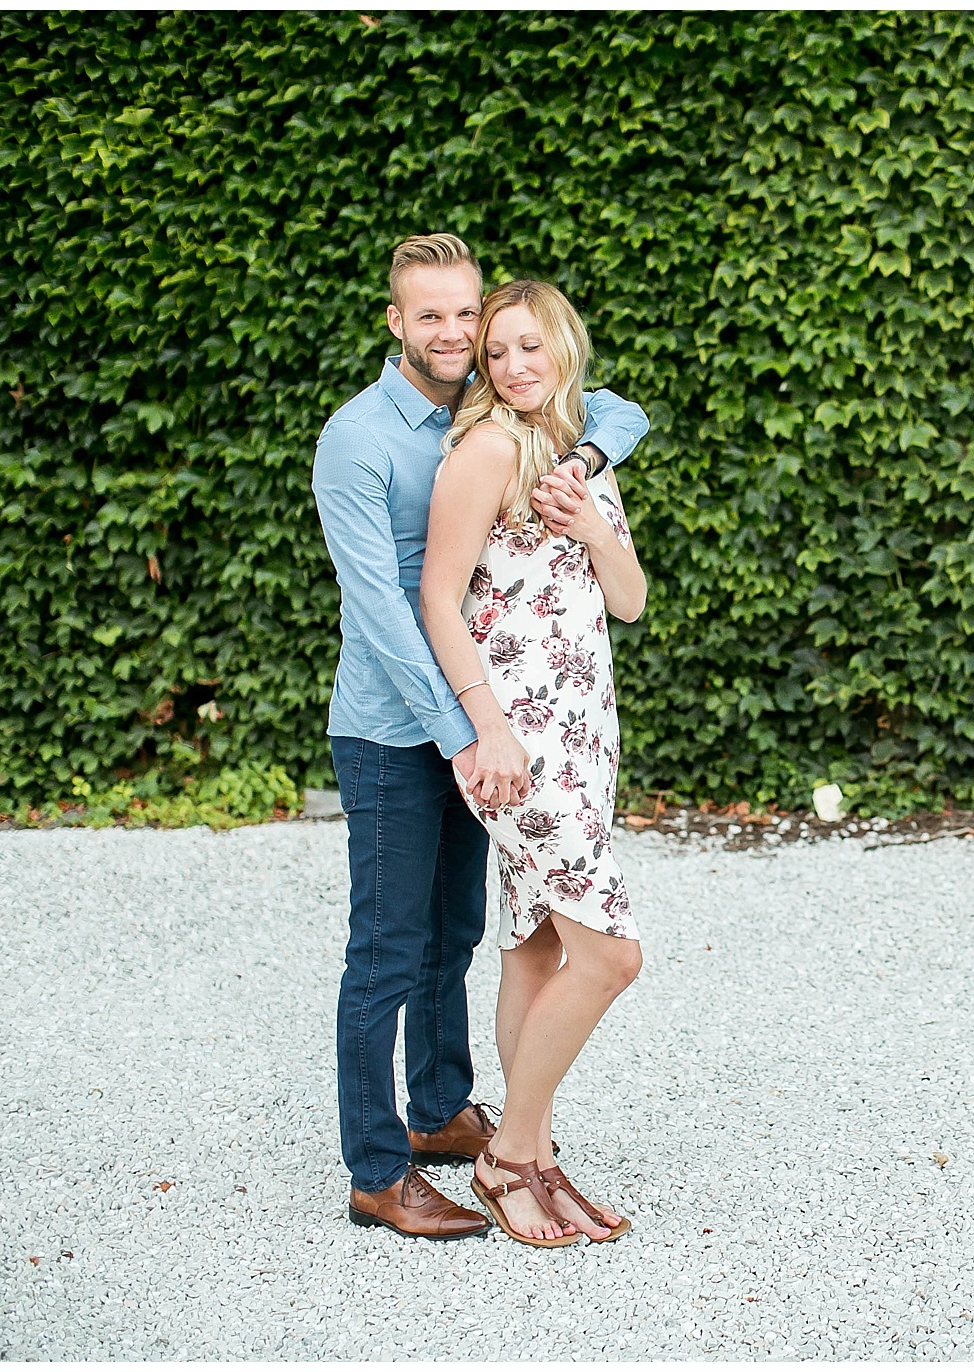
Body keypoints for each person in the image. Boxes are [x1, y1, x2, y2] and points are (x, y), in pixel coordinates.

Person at [312, 234, 649, 1240]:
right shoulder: (365, 438)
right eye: (435, 318)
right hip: (402, 724)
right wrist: (474, 727)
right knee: (388, 945)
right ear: (396, 322)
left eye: (471, 316)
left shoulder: (509, 420)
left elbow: (617, 415)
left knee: (468, 933)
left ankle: (442, 1113)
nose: (459, 336)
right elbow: (394, 609)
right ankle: (379, 1169)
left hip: (501, 724)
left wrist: (587, 472)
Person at [419, 277, 645, 1248]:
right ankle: (509, 1153)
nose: (513, 365)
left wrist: (593, 524)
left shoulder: (579, 459)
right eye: (496, 350)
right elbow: (436, 598)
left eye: (528, 346)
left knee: (537, 945)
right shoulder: (488, 449)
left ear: (562, 348)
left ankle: (535, 1151)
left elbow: (628, 602)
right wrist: (488, 731)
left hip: (586, 729)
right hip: (521, 743)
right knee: (610, 953)